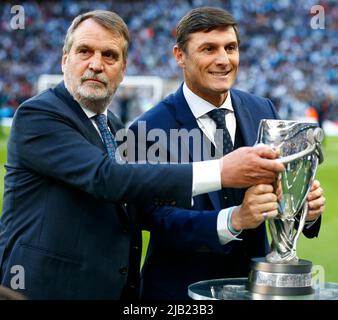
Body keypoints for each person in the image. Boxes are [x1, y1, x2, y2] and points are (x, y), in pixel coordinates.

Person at [0, 10, 284, 300]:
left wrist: (294, 201)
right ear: (64, 60)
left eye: (109, 56)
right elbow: (107, 179)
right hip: (43, 289)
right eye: (85, 51)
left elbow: (138, 206)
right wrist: (221, 176)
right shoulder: (39, 115)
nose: (96, 65)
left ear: (123, 70)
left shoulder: (112, 128)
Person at [129, 7, 325, 300]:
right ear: (179, 56)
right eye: (208, 49)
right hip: (180, 295)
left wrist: (305, 211)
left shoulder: (263, 109)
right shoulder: (147, 129)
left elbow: (280, 190)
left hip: (256, 290)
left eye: (230, 48)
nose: (223, 60)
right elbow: (155, 218)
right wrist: (235, 219)